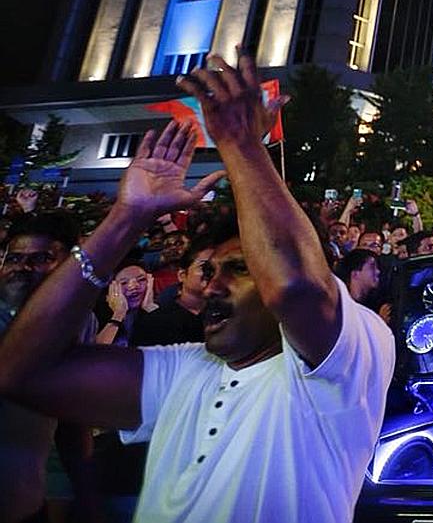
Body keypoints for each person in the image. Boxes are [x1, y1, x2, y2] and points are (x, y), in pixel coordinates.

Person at [0, 51, 395, 523]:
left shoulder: (352, 357)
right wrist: (126, 218)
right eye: (208, 270)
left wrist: (241, 145)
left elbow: (295, 287)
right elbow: (22, 375)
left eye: (240, 269)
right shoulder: (183, 371)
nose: (213, 285)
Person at [1, 212, 98, 523]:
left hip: (28, 506)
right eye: (13, 258)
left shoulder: (80, 320)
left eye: (41, 258)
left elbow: (73, 416)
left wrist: (85, 492)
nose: (21, 268)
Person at [96, 260, 158, 347]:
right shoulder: (95, 313)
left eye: (141, 280)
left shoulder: (160, 309)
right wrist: (118, 315)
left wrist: (150, 309)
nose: (134, 286)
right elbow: (97, 351)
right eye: (124, 282)